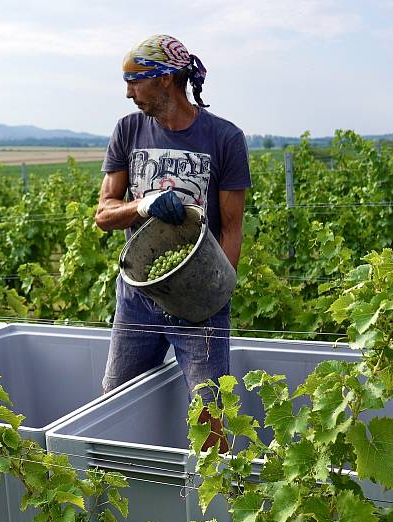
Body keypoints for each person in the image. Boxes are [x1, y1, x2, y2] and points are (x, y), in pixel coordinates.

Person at [95, 34, 251, 452]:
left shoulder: (225, 139)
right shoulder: (128, 130)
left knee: (211, 415)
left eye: (135, 81)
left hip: (199, 302)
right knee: (114, 400)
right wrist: (142, 205)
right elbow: (104, 214)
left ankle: (211, 505)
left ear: (165, 80)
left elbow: (231, 229)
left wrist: (215, 294)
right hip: (138, 297)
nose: (128, 93)